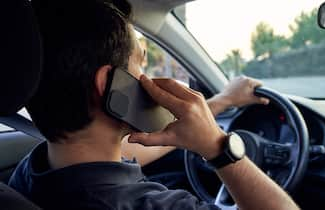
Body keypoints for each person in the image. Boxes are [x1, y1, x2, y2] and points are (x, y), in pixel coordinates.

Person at [9, 0, 299, 210]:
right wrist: (219, 148)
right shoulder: (148, 205)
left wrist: (220, 103)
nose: (149, 78)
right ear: (108, 84)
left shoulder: (32, 172)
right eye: (141, 62)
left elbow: (120, 151)